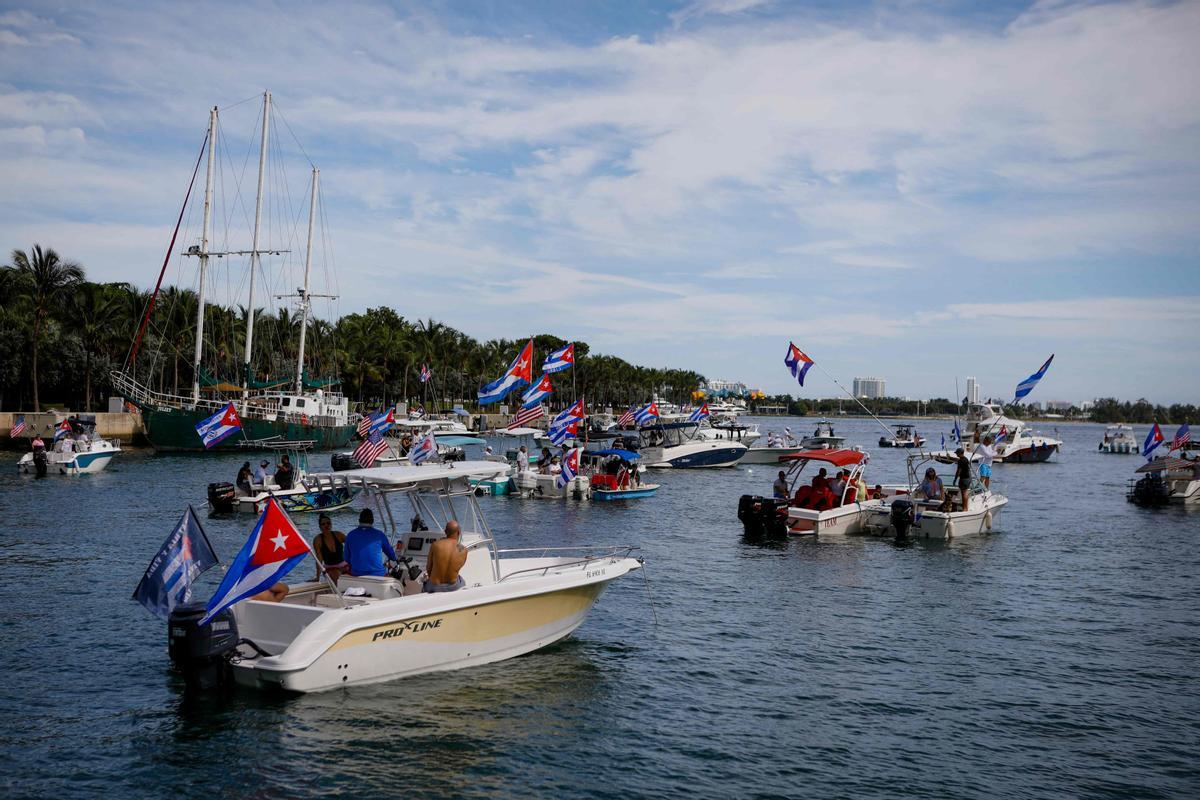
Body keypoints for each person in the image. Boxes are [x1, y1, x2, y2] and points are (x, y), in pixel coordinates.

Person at [344, 508, 396, 577]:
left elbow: (346, 558)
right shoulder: (380, 535)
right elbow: (392, 555)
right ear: (372, 521)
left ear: (359, 521)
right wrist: (394, 557)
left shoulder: (350, 535)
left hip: (357, 574)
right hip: (378, 574)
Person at [424, 520, 468, 593]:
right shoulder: (464, 550)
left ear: (445, 531)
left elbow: (428, 568)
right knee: (462, 581)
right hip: (453, 587)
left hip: (434, 587)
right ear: (459, 532)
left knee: (425, 583)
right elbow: (457, 569)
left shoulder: (435, 545)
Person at [312, 512, 348, 582]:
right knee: (335, 574)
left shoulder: (339, 535)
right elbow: (319, 560)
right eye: (323, 524)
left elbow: (351, 545)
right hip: (330, 568)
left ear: (331, 525)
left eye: (328, 523)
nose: (326, 525)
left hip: (343, 565)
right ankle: (339, 592)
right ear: (320, 527)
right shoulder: (318, 540)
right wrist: (317, 577)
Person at [953, 447, 972, 512]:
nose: (956, 454)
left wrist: (955, 479)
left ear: (959, 453)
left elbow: (959, 471)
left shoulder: (961, 460)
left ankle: (964, 508)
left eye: (957, 453)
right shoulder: (966, 459)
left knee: (963, 494)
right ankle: (965, 507)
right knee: (965, 493)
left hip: (964, 479)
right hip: (968, 478)